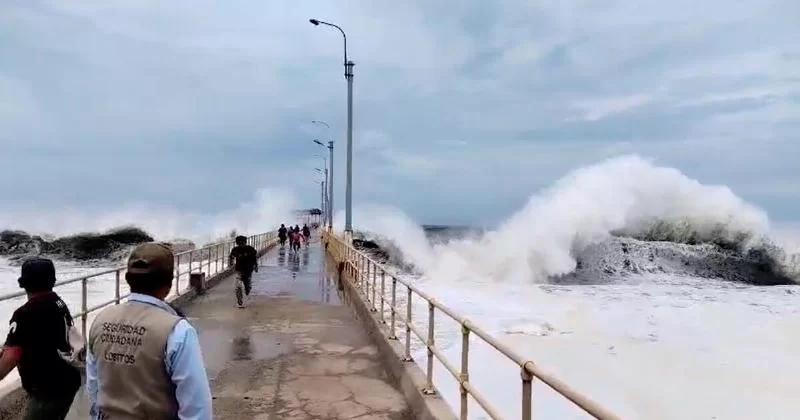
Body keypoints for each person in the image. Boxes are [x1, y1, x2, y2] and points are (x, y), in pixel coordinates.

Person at [87, 242, 212, 420]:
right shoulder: (177, 331)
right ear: (169, 283)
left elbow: (94, 389)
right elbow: (197, 407)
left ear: (127, 279)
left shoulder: (100, 320)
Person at [0, 258, 82, 420]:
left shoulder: (24, 314)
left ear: (23, 283)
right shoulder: (58, 302)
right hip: (67, 383)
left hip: (48, 392)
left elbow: (10, 358)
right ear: (52, 280)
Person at [229, 235, 258, 308]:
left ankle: (247, 289)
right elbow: (231, 257)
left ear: (245, 242)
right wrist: (231, 263)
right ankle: (240, 299)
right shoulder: (235, 249)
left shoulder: (250, 249)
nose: (241, 244)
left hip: (248, 270)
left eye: (242, 242)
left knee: (247, 285)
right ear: (237, 243)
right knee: (238, 286)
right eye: (239, 243)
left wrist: (255, 266)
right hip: (239, 270)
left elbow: (254, 258)